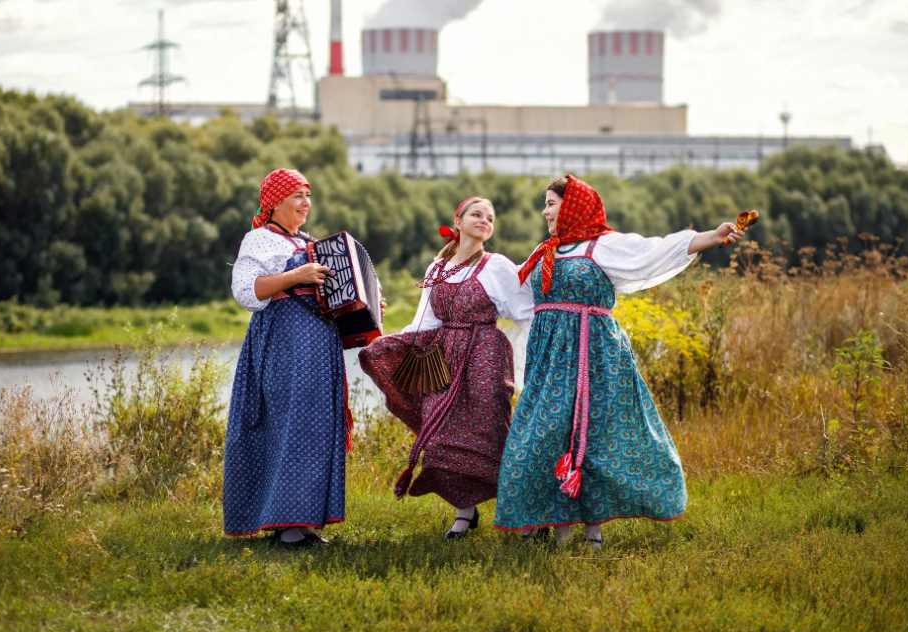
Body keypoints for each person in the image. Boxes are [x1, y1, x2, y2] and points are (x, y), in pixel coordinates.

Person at [493, 175, 747, 548]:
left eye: (551, 202)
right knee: (540, 438)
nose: (545, 211)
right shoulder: (546, 251)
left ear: (574, 205)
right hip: (548, 362)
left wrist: (713, 235)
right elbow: (508, 293)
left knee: (597, 438)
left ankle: (592, 533)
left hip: (596, 358)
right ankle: (556, 525)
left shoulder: (604, 246)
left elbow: (656, 251)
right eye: (545, 204)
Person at [359, 197, 533, 540]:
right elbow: (423, 321)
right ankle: (465, 513)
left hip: (485, 354)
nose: (484, 220)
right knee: (442, 437)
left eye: (490, 217)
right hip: (442, 359)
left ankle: (524, 514)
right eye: (476, 214)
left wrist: (552, 340)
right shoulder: (437, 268)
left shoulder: (497, 266)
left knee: (490, 431)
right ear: (459, 219)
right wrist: (384, 345)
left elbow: (524, 312)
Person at [223, 168, 351, 547]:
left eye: (308, 196)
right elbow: (247, 291)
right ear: (275, 201)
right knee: (290, 424)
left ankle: (305, 520)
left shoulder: (312, 243)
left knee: (317, 426)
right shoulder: (258, 240)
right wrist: (296, 275)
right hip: (282, 345)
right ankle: (286, 524)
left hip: (318, 346)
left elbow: (332, 293)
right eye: (298, 196)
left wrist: (364, 300)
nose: (306, 204)